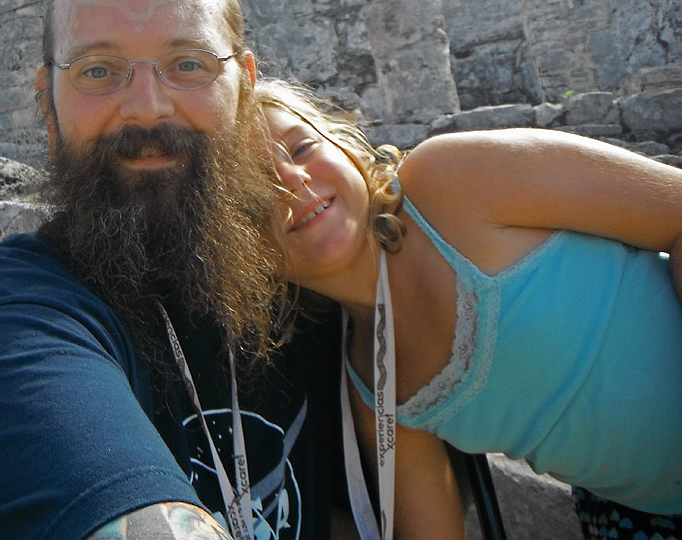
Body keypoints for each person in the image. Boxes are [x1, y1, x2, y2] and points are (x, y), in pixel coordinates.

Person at [0, 0, 350, 540]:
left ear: (244, 87)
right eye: (98, 71)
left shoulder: (320, 272)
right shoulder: (23, 322)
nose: (147, 107)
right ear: (47, 106)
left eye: (188, 64)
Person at [256, 76, 682, 540]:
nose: (293, 180)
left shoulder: (448, 180)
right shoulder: (375, 384)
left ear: (344, 146)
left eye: (301, 148)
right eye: (257, 189)